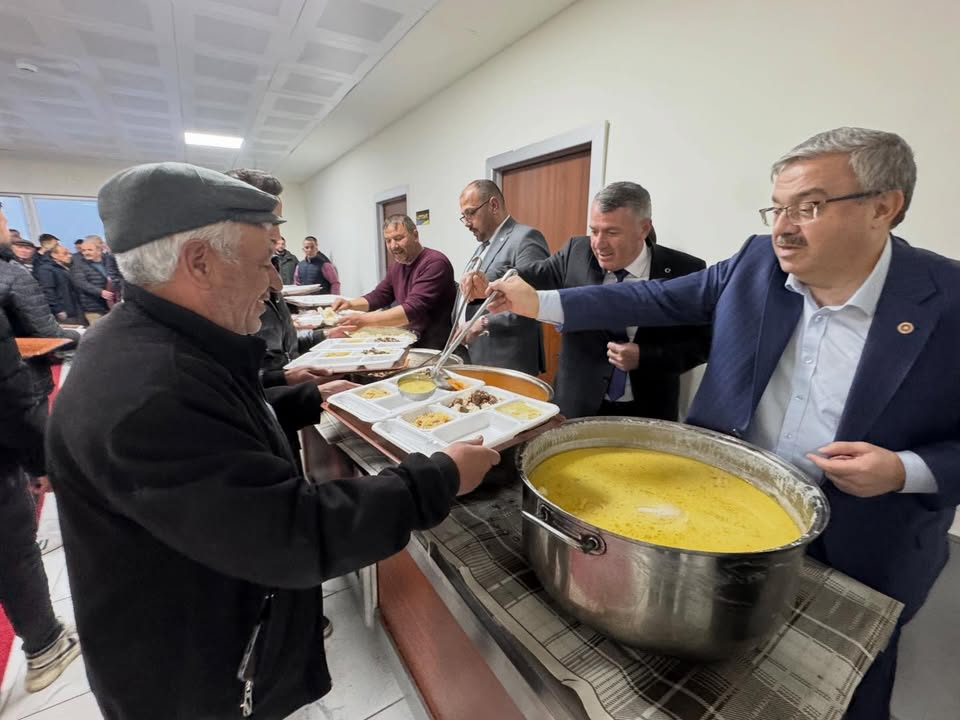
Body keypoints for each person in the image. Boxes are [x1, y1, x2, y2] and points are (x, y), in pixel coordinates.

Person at [487, 127, 960, 720]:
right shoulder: (756, 263)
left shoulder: (948, 300)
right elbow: (655, 300)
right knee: (713, 679)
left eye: (809, 207)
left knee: (847, 687)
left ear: (883, 207)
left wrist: (906, 470)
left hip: (869, 544)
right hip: (720, 523)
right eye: (778, 207)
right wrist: (541, 303)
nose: (783, 226)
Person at [47, 162, 499, 720]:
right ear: (200, 262)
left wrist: (307, 396)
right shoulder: (147, 392)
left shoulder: (158, 346)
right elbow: (293, 532)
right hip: (192, 683)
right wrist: (441, 476)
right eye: (264, 264)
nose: (272, 284)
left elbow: (223, 423)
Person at [465, 181, 710, 420]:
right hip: (577, 405)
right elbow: (532, 274)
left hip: (649, 410)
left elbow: (701, 344)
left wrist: (646, 357)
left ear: (644, 228)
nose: (599, 244)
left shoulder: (685, 270)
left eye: (612, 232)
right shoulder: (576, 252)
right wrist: (488, 282)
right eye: (594, 231)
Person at [0, 201, 82, 694]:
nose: (8, 226)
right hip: (8, 428)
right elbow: (11, 377)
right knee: (12, 546)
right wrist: (41, 461)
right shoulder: (11, 273)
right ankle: (46, 646)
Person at [456, 180, 548, 374]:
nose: (466, 223)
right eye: (463, 216)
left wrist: (481, 323)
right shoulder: (483, 247)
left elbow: (534, 301)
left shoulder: (525, 238)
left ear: (494, 205)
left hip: (508, 359)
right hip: (478, 355)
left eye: (471, 213)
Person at [332, 215, 456, 349]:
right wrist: (350, 304)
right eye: (388, 241)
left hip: (437, 346)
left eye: (398, 238)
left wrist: (363, 320)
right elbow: (380, 295)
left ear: (415, 235)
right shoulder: (397, 266)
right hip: (411, 341)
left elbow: (413, 309)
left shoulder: (435, 262)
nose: (393, 246)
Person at [71, 235, 121, 324]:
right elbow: (81, 282)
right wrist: (100, 292)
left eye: (90, 250)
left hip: (113, 305)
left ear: (99, 250)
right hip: (93, 307)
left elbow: (117, 276)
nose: (86, 253)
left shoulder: (109, 260)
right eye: (83, 250)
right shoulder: (78, 265)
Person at [35, 243, 85, 324]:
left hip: (75, 308)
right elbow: (48, 291)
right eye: (65, 253)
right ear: (54, 255)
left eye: (69, 253)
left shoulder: (65, 267)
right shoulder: (46, 269)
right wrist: (58, 310)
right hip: (64, 311)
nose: (69, 256)